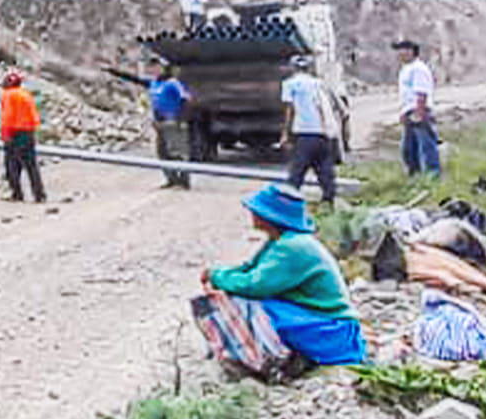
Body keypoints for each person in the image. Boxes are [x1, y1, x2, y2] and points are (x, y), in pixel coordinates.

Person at [193, 184, 365, 378]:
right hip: (324, 323)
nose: (252, 214)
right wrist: (217, 275)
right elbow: (249, 268)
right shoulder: (282, 241)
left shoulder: (292, 247)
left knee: (242, 305)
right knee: (236, 299)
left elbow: (254, 285)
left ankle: (267, 363)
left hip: (330, 329)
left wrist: (216, 277)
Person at [280, 54, 338, 205]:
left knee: (297, 173)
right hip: (322, 133)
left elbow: (290, 110)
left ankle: (288, 206)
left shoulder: (290, 84)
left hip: (303, 133)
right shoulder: (319, 83)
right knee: (325, 172)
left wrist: (285, 134)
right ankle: (328, 203)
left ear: (292, 68)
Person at [0, 70, 46, 204]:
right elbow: (34, 115)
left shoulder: (8, 95)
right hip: (28, 132)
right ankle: (39, 194)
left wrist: (5, 135)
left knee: (12, 165)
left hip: (14, 132)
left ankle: (17, 194)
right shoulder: (26, 94)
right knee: (31, 165)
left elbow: (7, 116)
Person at [395, 39, 440, 177]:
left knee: (426, 146)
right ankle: (415, 175)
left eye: (402, 50)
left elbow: (421, 92)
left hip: (419, 111)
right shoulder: (406, 69)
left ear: (410, 51)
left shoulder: (418, 69)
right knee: (409, 149)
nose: (399, 54)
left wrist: (419, 113)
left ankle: (432, 175)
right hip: (410, 112)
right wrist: (403, 113)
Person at [146, 59, 192, 189]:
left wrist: (181, 119)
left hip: (172, 121)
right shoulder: (154, 83)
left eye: (157, 67)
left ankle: (184, 181)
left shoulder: (173, 83)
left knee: (179, 153)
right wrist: (112, 71)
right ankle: (172, 179)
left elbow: (185, 99)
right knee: (162, 153)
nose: (154, 70)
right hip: (159, 122)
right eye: (152, 67)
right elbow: (135, 79)